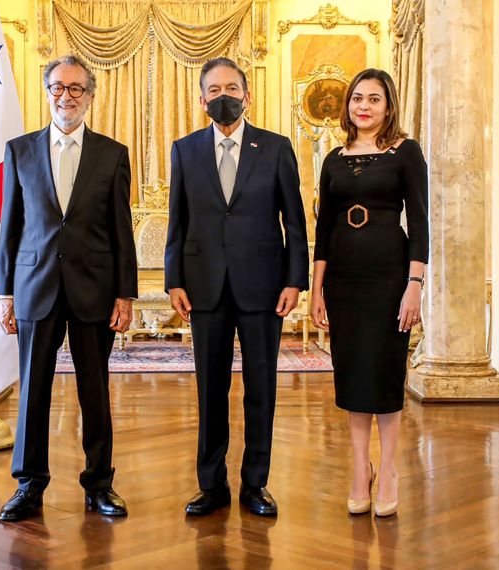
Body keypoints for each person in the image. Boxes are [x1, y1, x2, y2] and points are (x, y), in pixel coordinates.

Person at [0, 54, 138, 522]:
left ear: (90, 96)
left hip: (95, 290)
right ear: (47, 92)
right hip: (35, 286)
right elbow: (10, 229)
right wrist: (4, 291)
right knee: (33, 391)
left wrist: (125, 293)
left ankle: (99, 483)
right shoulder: (19, 151)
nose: (66, 96)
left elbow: (121, 231)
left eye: (76, 88)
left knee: (94, 393)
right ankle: (28, 486)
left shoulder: (113, 154)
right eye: (58, 87)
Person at [165, 57, 309, 517]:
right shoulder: (184, 150)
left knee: (260, 387)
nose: (222, 95)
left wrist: (294, 279)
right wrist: (174, 281)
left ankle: (255, 483)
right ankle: (211, 485)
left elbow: (295, 221)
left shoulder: (277, 147)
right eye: (213, 89)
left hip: (264, 286)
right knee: (210, 388)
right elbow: (177, 221)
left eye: (231, 87)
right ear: (202, 99)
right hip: (204, 286)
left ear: (247, 96)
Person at [310, 68, 428, 517]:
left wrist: (413, 286)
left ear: (388, 104)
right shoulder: (334, 158)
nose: (364, 105)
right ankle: (361, 468)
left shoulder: (405, 151)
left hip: (389, 276)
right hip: (343, 278)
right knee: (353, 373)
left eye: (374, 99)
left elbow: (419, 223)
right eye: (357, 98)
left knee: (383, 372)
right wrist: (316, 290)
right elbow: (322, 230)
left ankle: (390, 468)